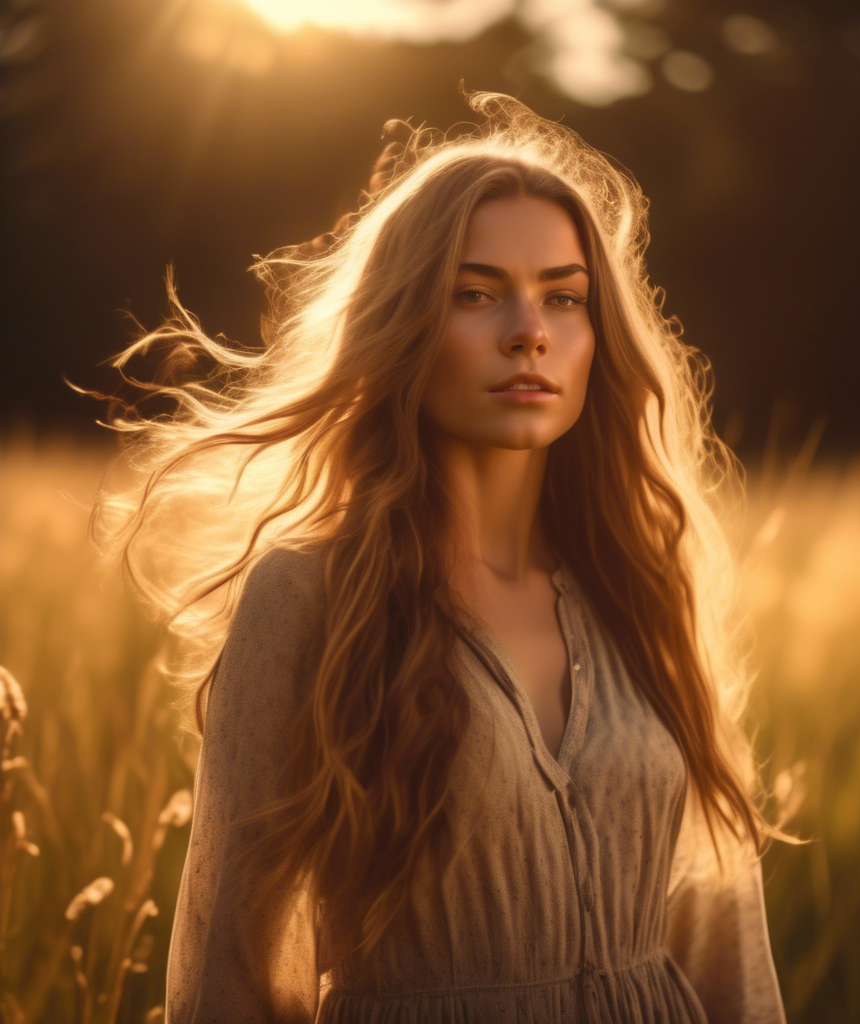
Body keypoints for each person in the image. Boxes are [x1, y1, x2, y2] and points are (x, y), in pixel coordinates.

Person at [86, 90, 791, 1023]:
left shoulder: (645, 585)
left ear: (596, 338)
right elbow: (235, 972)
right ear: (406, 324)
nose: (529, 329)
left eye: (565, 296)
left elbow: (723, 941)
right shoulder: (309, 596)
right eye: (476, 291)